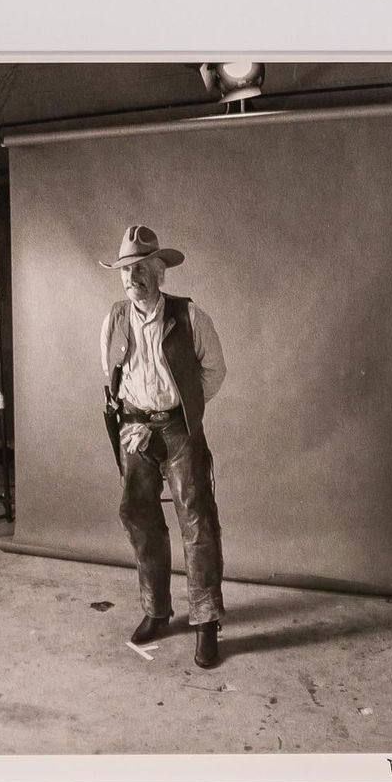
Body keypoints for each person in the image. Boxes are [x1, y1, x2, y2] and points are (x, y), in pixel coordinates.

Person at [98, 225, 228, 668]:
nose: (132, 279)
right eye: (125, 271)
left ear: (159, 272)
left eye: (140, 270)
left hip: (179, 430)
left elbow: (215, 371)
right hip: (136, 430)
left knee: (197, 518)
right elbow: (113, 376)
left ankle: (206, 621)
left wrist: (182, 412)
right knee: (137, 513)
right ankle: (157, 610)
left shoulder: (191, 316)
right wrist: (134, 418)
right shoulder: (115, 318)